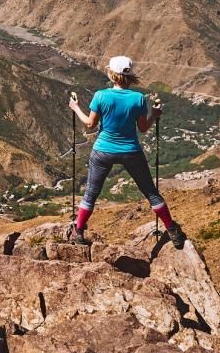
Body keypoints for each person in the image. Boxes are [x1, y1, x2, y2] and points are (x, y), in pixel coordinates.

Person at [67, 55, 186, 249]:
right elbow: (143, 128)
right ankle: (172, 230)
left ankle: (78, 232)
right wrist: (154, 114)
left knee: (91, 193)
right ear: (130, 76)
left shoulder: (101, 96)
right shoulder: (138, 99)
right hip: (131, 151)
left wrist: (75, 107)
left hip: (103, 150)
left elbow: (90, 124)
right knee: (151, 193)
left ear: (111, 74)